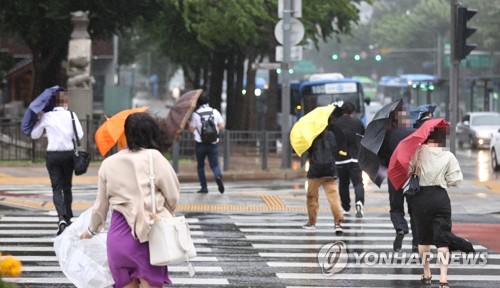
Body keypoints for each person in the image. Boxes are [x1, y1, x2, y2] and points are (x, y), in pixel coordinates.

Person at [80, 112, 179, 288]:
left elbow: (100, 207)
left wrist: (91, 230)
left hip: (118, 241)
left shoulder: (108, 164)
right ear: (151, 133)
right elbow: (173, 196)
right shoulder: (154, 157)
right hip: (148, 239)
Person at [409, 125, 474, 288]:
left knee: (423, 238)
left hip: (420, 198)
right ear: (442, 138)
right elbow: (455, 180)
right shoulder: (448, 156)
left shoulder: (416, 153)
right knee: (442, 238)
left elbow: (408, 171)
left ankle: (427, 273)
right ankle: (443, 279)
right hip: (440, 198)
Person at [31, 89, 83, 236]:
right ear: (65, 102)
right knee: (67, 186)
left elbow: (35, 135)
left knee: (56, 187)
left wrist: (39, 119)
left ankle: (61, 217)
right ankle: (68, 216)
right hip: (68, 154)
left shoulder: (46, 116)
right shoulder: (71, 115)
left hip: (52, 155)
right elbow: (79, 134)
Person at [379, 109, 418, 252]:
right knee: (414, 209)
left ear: (394, 122)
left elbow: (382, 156)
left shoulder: (388, 135)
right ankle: (416, 242)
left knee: (396, 206)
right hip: (412, 175)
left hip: (395, 174)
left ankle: (400, 228)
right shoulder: (415, 133)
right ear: (407, 120)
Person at [302, 110, 344, 235]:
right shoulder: (331, 134)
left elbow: (308, 150)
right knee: (333, 198)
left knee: (312, 197)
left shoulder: (312, 135)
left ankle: (312, 222)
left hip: (315, 171)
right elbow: (335, 149)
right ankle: (338, 223)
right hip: (330, 170)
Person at [334, 101, 366, 218]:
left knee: (343, 183)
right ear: (352, 111)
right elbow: (364, 136)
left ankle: (346, 207)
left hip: (341, 159)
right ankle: (359, 202)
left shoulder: (336, 123)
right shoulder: (357, 122)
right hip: (355, 158)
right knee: (358, 183)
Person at [188, 92, 225, 193]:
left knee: (200, 165)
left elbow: (191, 129)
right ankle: (217, 176)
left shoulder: (196, 114)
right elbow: (221, 126)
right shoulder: (215, 112)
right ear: (208, 101)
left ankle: (204, 187)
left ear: (198, 102)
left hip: (200, 143)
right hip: (213, 143)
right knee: (215, 165)